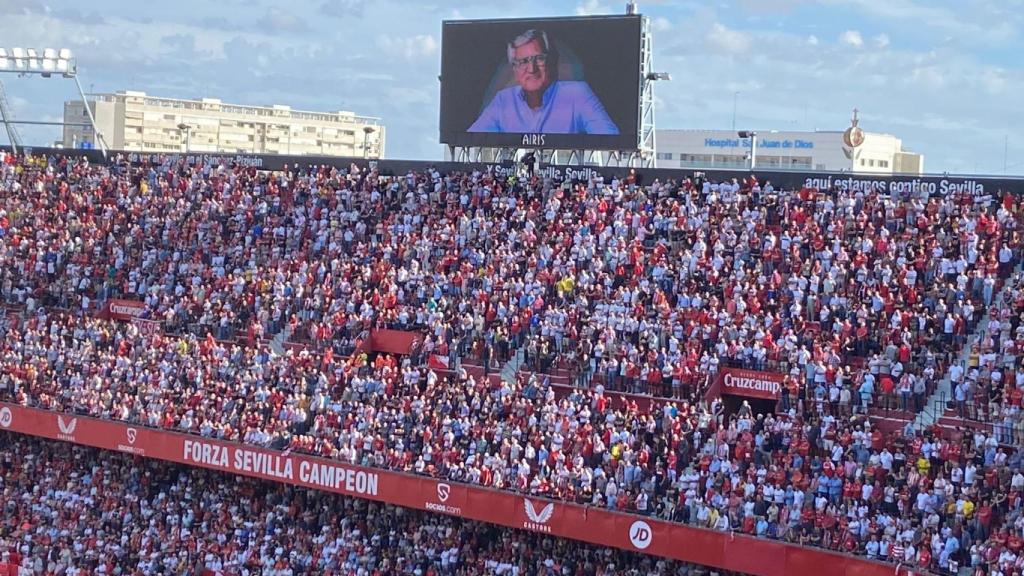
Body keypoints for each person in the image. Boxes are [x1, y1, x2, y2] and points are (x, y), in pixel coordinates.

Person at [468, 29, 619, 135]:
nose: (531, 68)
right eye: (523, 61)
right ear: (514, 69)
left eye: (539, 58)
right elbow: (470, 139)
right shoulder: (503, 100)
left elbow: (610, 138)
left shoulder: (577, 94)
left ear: (552, 61)